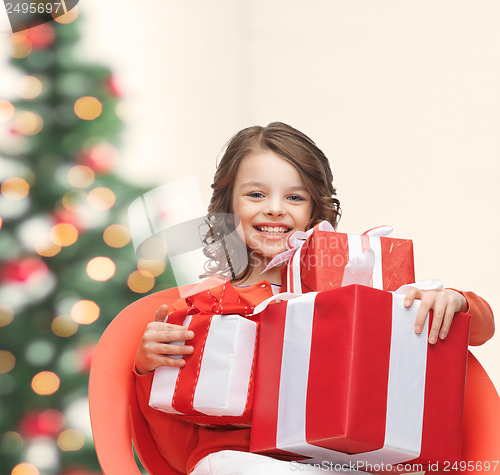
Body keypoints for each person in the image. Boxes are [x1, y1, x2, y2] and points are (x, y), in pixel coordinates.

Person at [133, 122, 495, 475]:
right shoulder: (205, 306)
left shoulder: (348, 292)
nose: (275, 208)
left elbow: (478, 330)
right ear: (227, 207)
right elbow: (173, 442)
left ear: (314, 211)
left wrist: (455, 302)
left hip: (338, 460)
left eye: (294, 196)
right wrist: (149, 366)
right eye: (256, 194)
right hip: (235, 460)